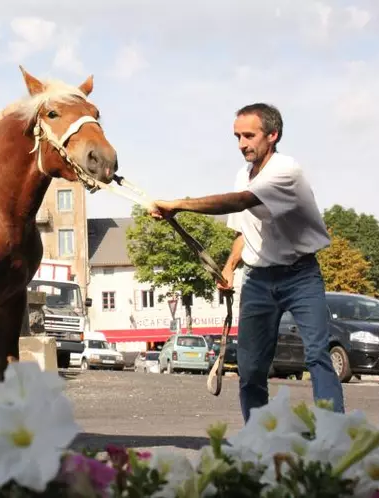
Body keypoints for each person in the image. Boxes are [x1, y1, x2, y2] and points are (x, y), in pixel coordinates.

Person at [147, 103, 344, 422]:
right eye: (237, 136)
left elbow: (242, 201)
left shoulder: (286, 171)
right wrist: (228, 268)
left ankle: (333, 430)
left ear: (273, 135)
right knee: (251, 367)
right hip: (258, 281)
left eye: (249, 135)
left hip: (301, 276)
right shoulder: (243, 175)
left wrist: (179, 205)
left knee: (318, 355)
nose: (241, 144)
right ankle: (259, 437)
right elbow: (245, 230)